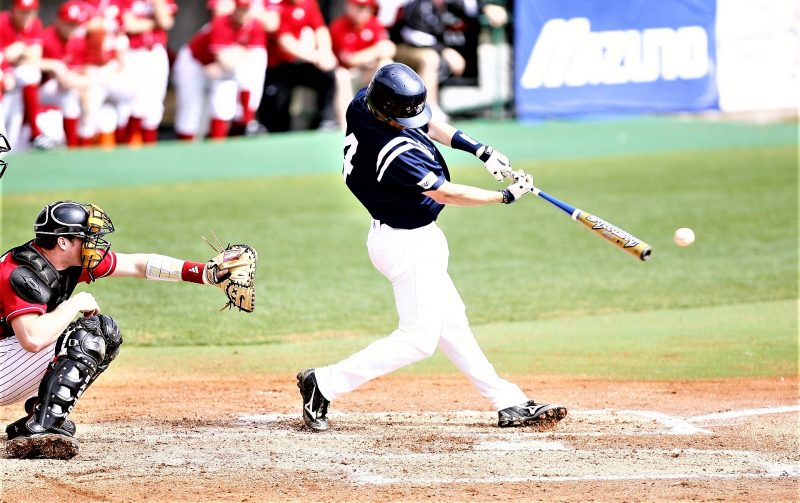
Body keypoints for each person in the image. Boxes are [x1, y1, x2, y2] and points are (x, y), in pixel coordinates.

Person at [297, 63, 567, 432]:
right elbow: (445, 192)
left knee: (452, 324)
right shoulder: (393, 152)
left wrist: (480, 150)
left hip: (411, 238)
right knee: (418, 340)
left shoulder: (365, 104)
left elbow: (426, 123)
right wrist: (503, 196)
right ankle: (323, 383)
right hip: (406, 244)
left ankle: (508, 401)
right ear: (388, 114)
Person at [1, 201, 235, 459]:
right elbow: (32, 339)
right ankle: (41, 429)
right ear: (63, 242)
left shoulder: (63, 262)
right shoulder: (19, 273)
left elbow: (137, 265)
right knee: (87, 338)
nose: (93, 243)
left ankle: (39, 416)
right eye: (85, 238)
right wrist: (75, 303)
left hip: (7, 360)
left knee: (105, 332)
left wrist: (205, 273)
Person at [173, 0, 266, 141]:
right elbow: (225, 60)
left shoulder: (255, 26)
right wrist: (238, 53)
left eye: (246, 9)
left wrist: (233, 56)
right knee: (191, 111)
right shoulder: (221, 22)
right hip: (194, 64)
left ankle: (219, 148)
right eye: (240, 8)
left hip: (219, 68)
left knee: (223, 107)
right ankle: (184, 149)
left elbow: (247, 57)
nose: (242, 13)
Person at [258, 0, 338, 132]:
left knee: (328, 76)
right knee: (278, 116)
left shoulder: (309, 3)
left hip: (304, 64)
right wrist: (315, 56)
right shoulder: (278, 6)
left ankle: (325, 120)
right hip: (280, 67)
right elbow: (285, 41)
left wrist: (326, 52)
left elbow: (320, 29)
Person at [329, 0, 395, 129]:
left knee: (386, 64)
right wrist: (376, 51)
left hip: (367, 73)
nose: (364, 11)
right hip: (348, 75)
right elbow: (351, 60)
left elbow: (389, 49)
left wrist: (376, 52)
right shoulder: (339, 25)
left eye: (368, 8)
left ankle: (387, 117)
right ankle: (346, 124)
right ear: (349, 6)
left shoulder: (374, 23)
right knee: (341, 75)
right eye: (360, 7)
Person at [0, 0, 57, 150]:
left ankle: (35, 133)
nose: (27, 15)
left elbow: (34, 57)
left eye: (31, 11)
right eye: (23, 11)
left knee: (29, 73)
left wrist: (18, 51)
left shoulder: (35, 24)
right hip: (4, 77)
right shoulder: (2, 22)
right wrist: (8, 63)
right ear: (14, 9)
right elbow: (4, 57)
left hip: (15, 80)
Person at [120, 0, 178, 145]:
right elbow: (129, 25)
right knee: (132, 100)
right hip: (132, 53)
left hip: (156, 52)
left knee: (155, 102)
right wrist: (154, 23)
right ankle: (130, 144)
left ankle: (149, 145)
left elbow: (165, 23)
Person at [38, 0, 90, 149]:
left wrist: (84, 85)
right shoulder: (46, 37)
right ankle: (72, 147)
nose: (72, 28)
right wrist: (54, 66)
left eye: (75, 24)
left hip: (60, 92)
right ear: (58, 21)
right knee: (69, 96)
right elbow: (30, 62)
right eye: (69, 23)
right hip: (38, 92)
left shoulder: (78, 41)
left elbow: (78, 72)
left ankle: (76, 147)